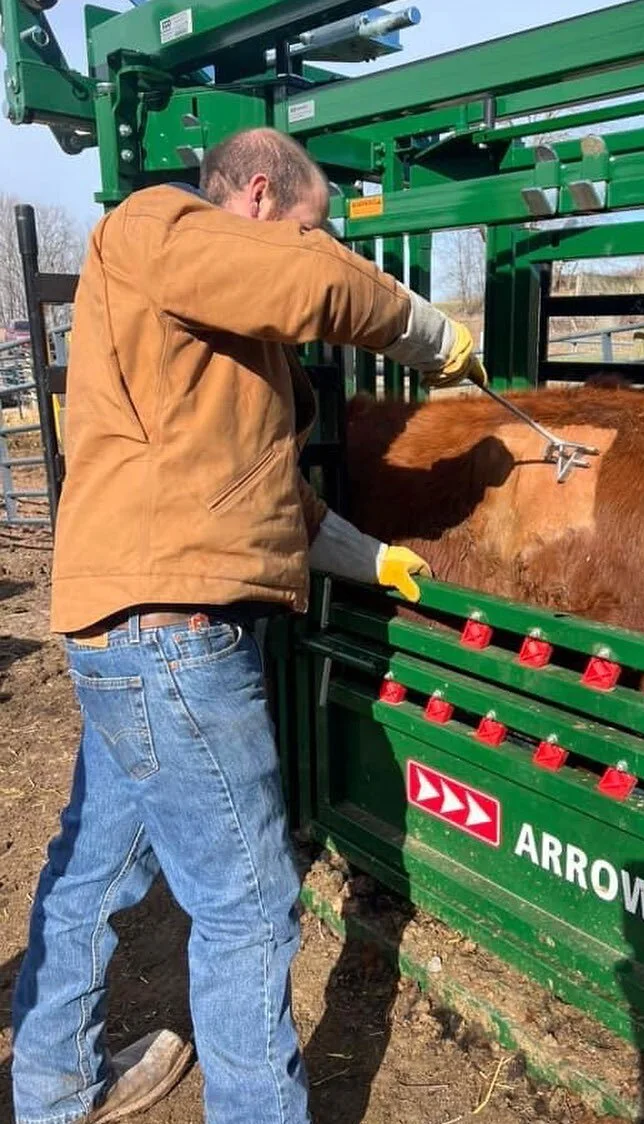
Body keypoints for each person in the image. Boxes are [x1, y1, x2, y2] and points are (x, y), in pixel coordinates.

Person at [11, 127, 488, 1124]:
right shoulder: (156, 226)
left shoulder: (202, 343)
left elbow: (256, 496)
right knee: (245, 905)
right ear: (259, 195)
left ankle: (52, 1085)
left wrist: (370, 556)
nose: (313, 250)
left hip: (132, 637)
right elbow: (312, 285)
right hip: (175, 635)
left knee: (98, 861)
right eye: (309, 228)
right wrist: (422, 330)